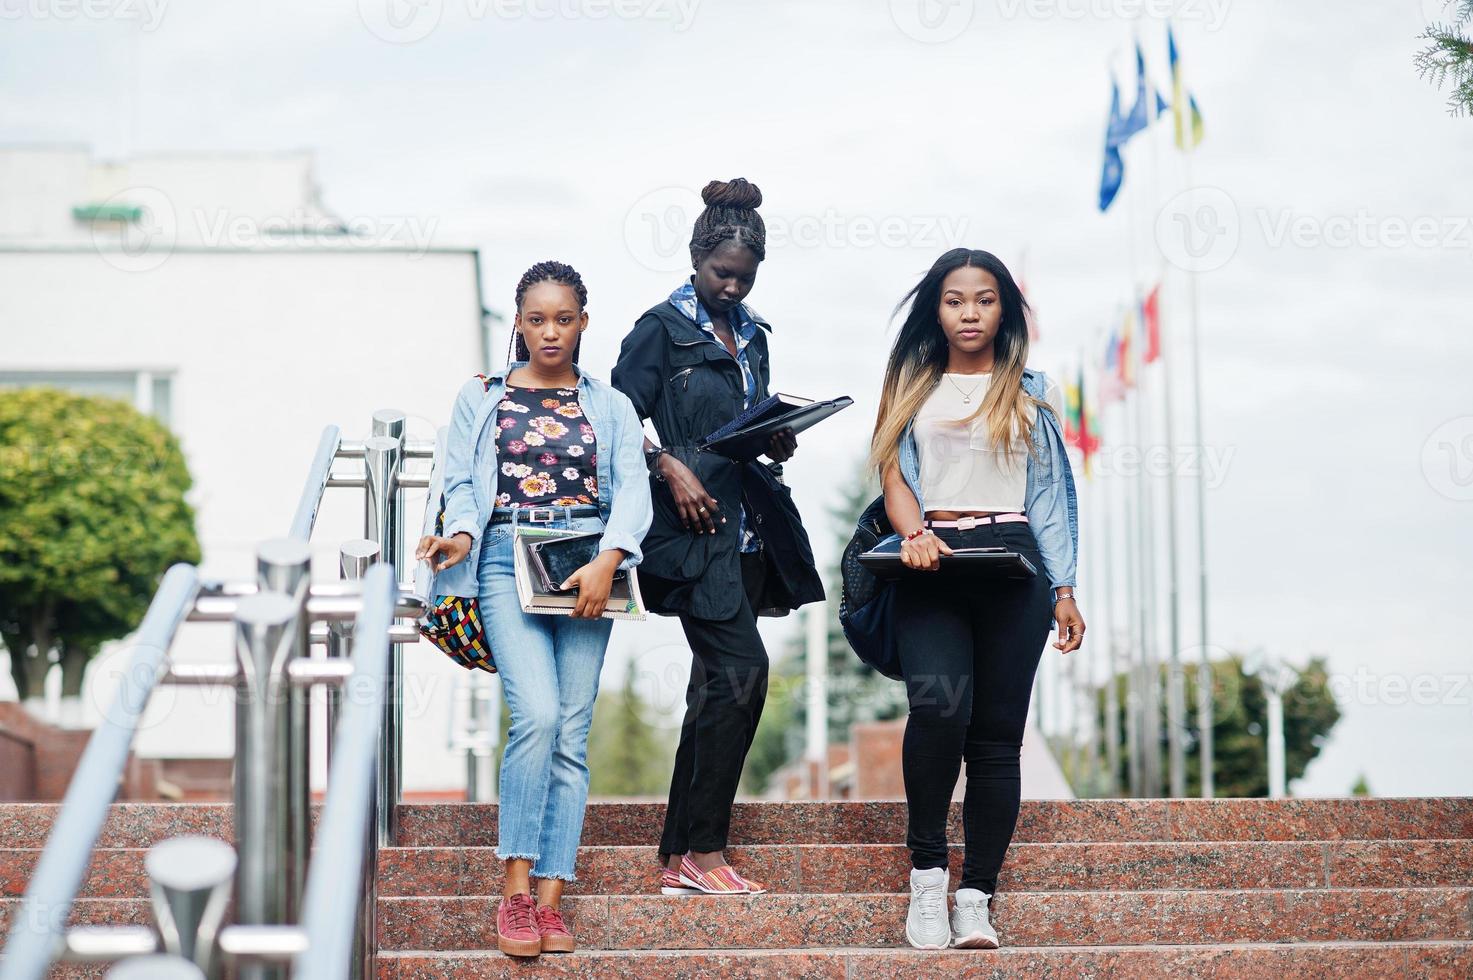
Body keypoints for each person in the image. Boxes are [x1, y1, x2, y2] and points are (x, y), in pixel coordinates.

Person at [416, 260, 652, 958]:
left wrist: (608, 560)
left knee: (572, 733)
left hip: (587, 563)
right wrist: (459, 534)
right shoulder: (482, 396)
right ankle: (515, 889)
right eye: (536, 318)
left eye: (564, 318)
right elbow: (460, 477)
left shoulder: (608, 405)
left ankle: (551, 899)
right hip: (502, 560)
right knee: (539, 715)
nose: (550, 331)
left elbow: (632, 490)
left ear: (583, 323)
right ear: (517, 325)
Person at [868, 247, 1084, 950]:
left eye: (984, 299)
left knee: (996, 738)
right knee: (937, 707)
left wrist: (1064, 588)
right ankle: (927, 875)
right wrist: (914, 534)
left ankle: (975, 897)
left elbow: (1050, 499)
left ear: (1004, 309)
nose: (969, 311)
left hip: (1013, 564)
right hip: (931, 563)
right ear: (936, 308)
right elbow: (893, 477)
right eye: (955, 299)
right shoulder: (909, 383)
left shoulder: (1029, 388)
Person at [611, 177, 823, 896]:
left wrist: (776, 438)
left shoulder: (756, 333)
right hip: (688, 530)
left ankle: (679, 857)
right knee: (742, 675)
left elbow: (742, 421)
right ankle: (706, 852)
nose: (730, 286)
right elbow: (612, 422)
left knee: (713, 688)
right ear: (695, 257)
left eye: (743, 275)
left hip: (745, 532)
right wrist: (665, 464)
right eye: (719, 273)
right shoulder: (658, 331)